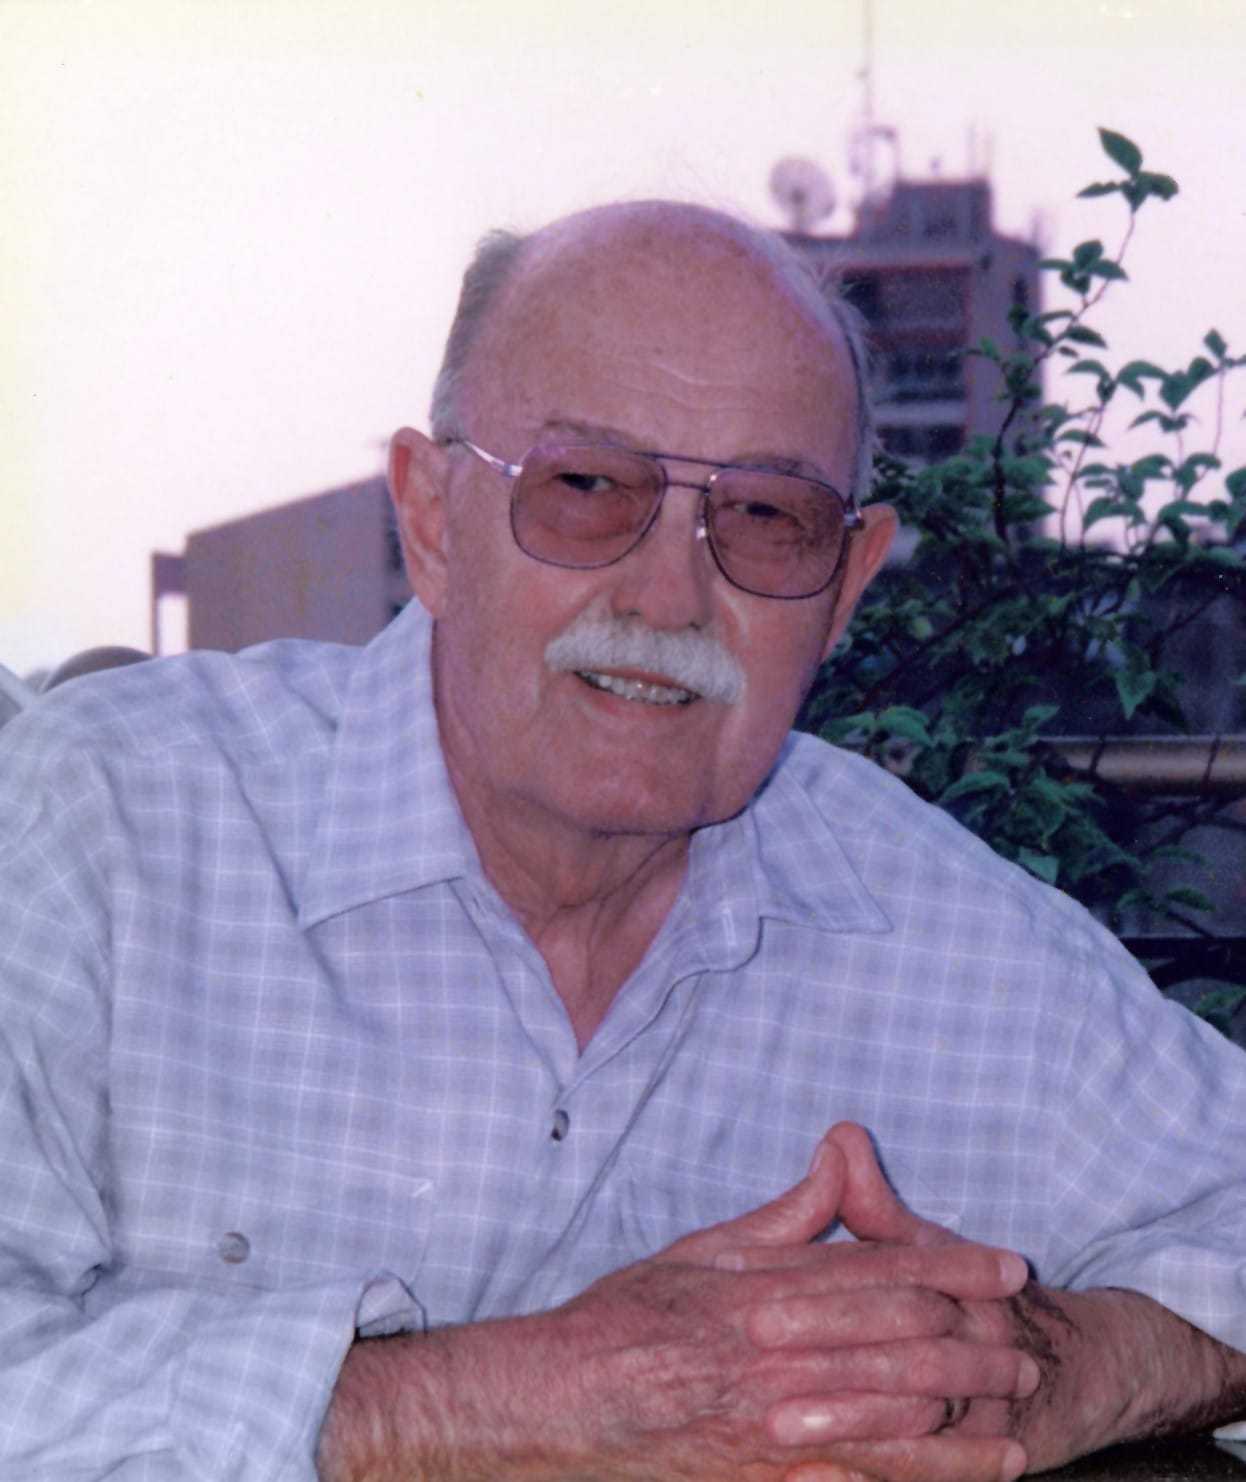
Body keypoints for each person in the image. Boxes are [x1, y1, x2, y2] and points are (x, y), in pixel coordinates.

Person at [2, 201, 1245, 1482]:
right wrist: (493, 1405)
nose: (666, 597)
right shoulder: (105, 826)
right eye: (587, 489)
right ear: (430, 520)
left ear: (845, 587)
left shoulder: (940, 933)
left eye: (766, 518)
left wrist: (1058, 1368)